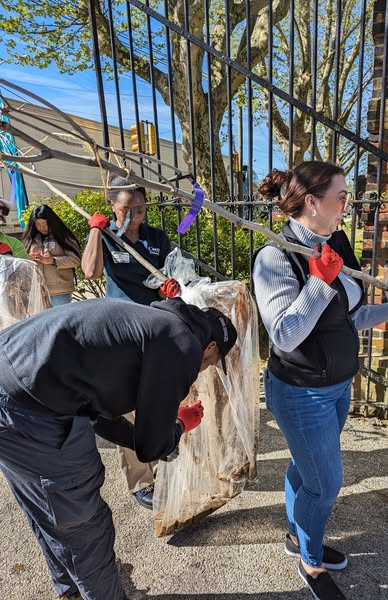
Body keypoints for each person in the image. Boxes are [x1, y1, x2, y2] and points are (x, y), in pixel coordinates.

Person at [252, 161, 388, 600]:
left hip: (337, 385)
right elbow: (284, 335)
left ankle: (296, 535)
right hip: (301, 392)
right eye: (341, 197)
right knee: (325, 483)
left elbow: (350, 317)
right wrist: (318, 284)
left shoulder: (334, 245)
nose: (348, 204)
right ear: (312, 202)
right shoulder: (276, 256)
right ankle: (311, 563)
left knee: (305, 468)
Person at [0, 297, 238, 600]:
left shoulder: (150, 323)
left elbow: (96, 412)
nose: (205, 369)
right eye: (211, 362)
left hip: (13, 377)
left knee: (47, 508)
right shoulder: (183, 345)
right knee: (86, 527)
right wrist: (180, 425)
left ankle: (71, 589)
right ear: (211, 346)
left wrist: (150, 432)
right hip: (33, 410)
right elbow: (152, 447)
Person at [81, 176, 180, 509]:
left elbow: (170, 272)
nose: (136, 216)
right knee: (127, 407)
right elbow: (91, 271)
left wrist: (170, 286)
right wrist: (96, 232)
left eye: (141, 209)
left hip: (155, 329)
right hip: (120, 334)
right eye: (128, 209)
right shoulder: (107, 236)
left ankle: (164, 464)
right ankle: (141, 480)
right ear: (112, 206)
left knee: (160, 401)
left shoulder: (156, 237)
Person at [22, 204, 81, 307]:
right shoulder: (30, 239)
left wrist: (53, 260)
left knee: (60, 317)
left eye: (45, 224)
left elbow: (76, 260)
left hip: (59, 291)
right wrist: (27, 258)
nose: (41, 227)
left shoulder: (64, 237)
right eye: (37, 224)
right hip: (37, 291)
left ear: (52, 222)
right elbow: (20, 261)